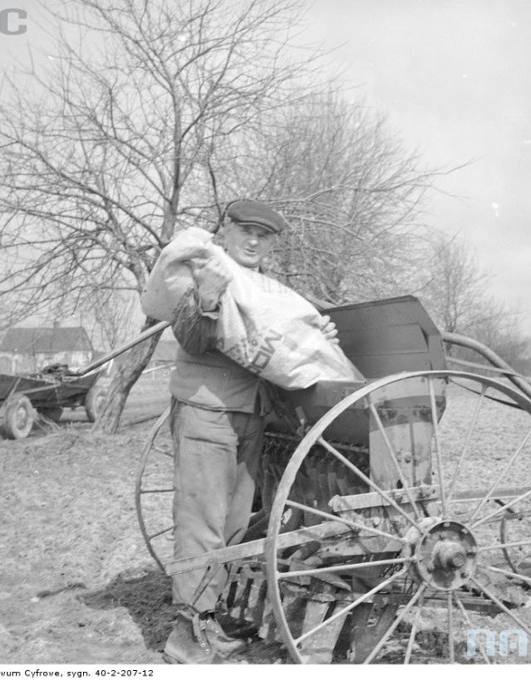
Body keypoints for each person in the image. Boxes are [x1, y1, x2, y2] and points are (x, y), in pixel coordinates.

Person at [162, 200, 338, 664]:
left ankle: (209, 619)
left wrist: (319, 337)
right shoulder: (206, 272)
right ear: (226, 232)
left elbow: (279, 348)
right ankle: (186, 634)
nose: (254, 242)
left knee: (235, 523)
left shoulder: (266, 292)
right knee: (202, 521)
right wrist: (206, 300)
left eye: (264, 235)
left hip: (250, 416)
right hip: (206, 410)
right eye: (246, 231)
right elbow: (192, 337)